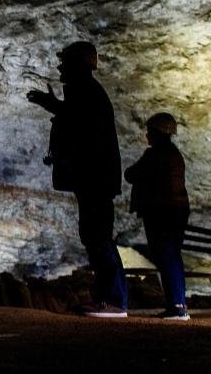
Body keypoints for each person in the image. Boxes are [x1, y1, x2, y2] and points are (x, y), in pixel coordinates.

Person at [27, 41, 128, 318]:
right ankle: (110, 299)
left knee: (98, 237)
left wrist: (54, 107)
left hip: (94, 178)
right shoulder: (85, 92)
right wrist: (56, 107)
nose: (60, 66)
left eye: (65, 61)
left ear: (79, 64)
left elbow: (80, 126)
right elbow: (77, 121)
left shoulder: (86, 92)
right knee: (97, 236)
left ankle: (113, 301)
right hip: (94, 178)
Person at [124, 112, 190, 321]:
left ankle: (177, 307)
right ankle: (178, 303)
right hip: (177, 211)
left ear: (157, 133)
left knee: (166, 256)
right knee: (172, 256)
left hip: (161, 211)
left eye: (150, 132)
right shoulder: (174, 154)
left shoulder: (155, 154)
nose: (147, 136)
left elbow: (131, 174)